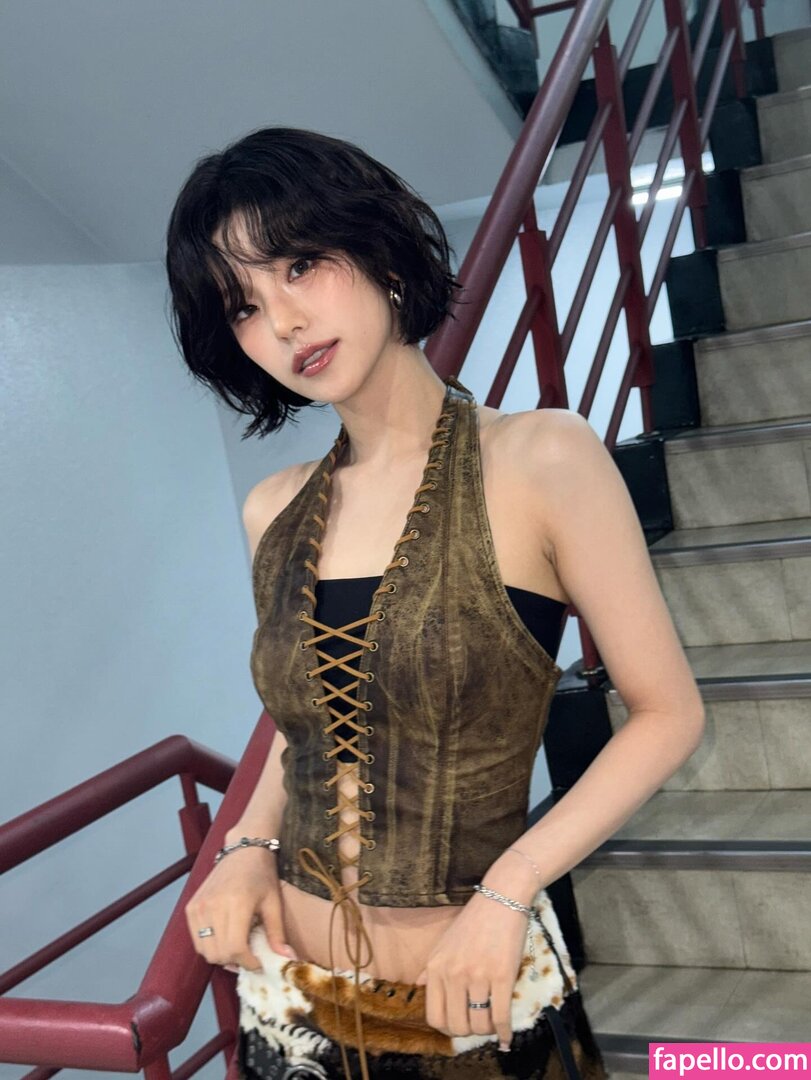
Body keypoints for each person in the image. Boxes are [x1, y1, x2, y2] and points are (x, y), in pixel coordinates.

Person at [165, 126, 705, 1080]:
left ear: (378, 252)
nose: (283, 321)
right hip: (288, 998)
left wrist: (509, 889)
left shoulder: (540, 458)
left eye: (298, 265)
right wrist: (244, 846)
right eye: (242, 305)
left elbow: (667, 714)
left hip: (471, 994)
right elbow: (303, 726)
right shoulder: (272, 510)